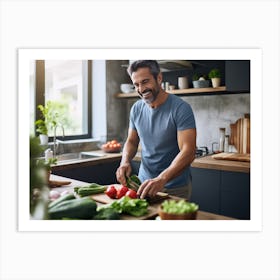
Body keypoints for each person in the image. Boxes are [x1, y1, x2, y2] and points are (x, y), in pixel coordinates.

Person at [116, 60, 196, 199]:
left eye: (145, 82)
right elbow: (132, 141)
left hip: (174, 187)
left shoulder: (181, 108)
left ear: (159, 78)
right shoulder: (136, 109)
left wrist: (162, 179)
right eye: (136, 84)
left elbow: (188, 152)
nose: (141, 89)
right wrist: (125, 161)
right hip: (143, 185)